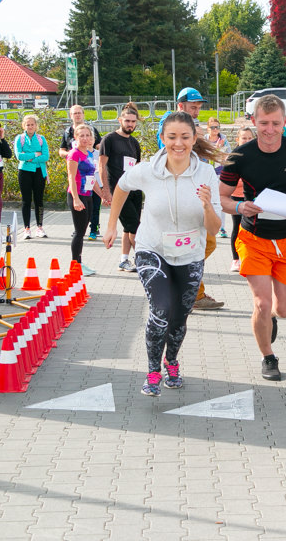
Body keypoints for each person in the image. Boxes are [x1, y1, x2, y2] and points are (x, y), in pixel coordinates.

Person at [103, 111, 222, 397]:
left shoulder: (205, 173)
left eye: (184, 137)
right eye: (172, 137)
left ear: (194, 139)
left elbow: (215, 229)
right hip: (151, 249)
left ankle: (172, 362)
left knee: (179, 318)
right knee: (160, 311)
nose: (178, 143)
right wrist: (111, 225)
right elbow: (121, 186)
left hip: (190, 253)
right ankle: (153, 370)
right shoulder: (148, 169)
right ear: (162, 139)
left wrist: (207, 206)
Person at [219, 94, 286, 381]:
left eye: (275, 123)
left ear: (284, 122)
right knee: (262, 303)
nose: (269, 129)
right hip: (253, 239)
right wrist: (240, 207)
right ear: (253, 121)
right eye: (263, 123)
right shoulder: (240, 155)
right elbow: (222, 198)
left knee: (283, 308)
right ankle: (268, 356)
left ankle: (272, 319)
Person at [158, 87, 224, 310]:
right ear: (180, 105)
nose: (197, 110)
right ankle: (188, 290)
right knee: (200, 244)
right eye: (193, 106)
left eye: (199, 106)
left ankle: (187, 287)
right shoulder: (170, 124)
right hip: (180, 193)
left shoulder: (189, 125)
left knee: (203, 244)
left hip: (196, 191)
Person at [99, 102, 143, 272]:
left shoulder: (134, 142)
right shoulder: (109, 139)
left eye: (133, 121)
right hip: (119, 191)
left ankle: (124, 260)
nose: (130, 124)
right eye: (127, 121)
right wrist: (106, 191)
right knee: (135, 227)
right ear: (120, 120)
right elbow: (102, 166)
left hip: (135, 190)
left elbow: (138, 166)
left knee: (128, 228)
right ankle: (143, 259)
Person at [66, 124, 107, 276]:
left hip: (88, 195)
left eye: (87, 135)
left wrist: (102, 195)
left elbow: (93, 178)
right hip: (77, 195)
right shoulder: (74, 154)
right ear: (76, 138)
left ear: (92, 137)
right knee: (79, 231)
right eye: (81, 136)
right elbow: (71, 177)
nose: (85, 138)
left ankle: (80, 262)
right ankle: (75, 265)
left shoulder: (89, 154)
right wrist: (76, 199)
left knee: (83, 230)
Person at [60, 105, 102, 240]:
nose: (77, 115)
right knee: (79, 230)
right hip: (78, 187)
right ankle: (76, 259)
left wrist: (103, 195)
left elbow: (100, 146)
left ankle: (94, 229)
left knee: (93, 209)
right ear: (70, 116)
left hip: (89, 184)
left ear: (83, 114)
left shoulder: (91, 132)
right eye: (74, 113)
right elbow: (62, 151)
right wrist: (72, 155)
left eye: (79, 113)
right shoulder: (68, 132)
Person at [14, 114, 50, 239]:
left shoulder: (41, 139)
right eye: (27, 124)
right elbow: (19, 156)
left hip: (39, 171)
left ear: (36, 126)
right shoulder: (20, 138)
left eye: (32, 124)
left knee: (39, 200)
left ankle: (39, 227)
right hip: (24, 172)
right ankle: (27, 228)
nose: (30, 126)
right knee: (26, 200)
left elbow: (45, 156)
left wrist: (29, 157)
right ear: (24, 125)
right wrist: (36, 154)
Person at [228, 127, 256, 273]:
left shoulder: (257, 155)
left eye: (249, 138)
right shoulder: (233, 157)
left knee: (250, 229)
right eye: (243, 138)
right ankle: (236, 259)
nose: (246, 140)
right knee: (237, 227)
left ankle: (249, 257)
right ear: (238, 140)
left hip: (252, 197)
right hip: (236, 197)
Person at [206, 117, 232, 238]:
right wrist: (215, 149)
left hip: (220, 172)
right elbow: (204, 157)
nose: (215, 129)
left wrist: (221, 151)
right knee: (208, 200)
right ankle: (207, 226)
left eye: (217, 127)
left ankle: (221, 227)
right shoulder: (204, 140)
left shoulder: (223, 140)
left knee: (220, 200)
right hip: (207, 173)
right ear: (208, 128)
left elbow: (229, 155)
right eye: (213, 127)